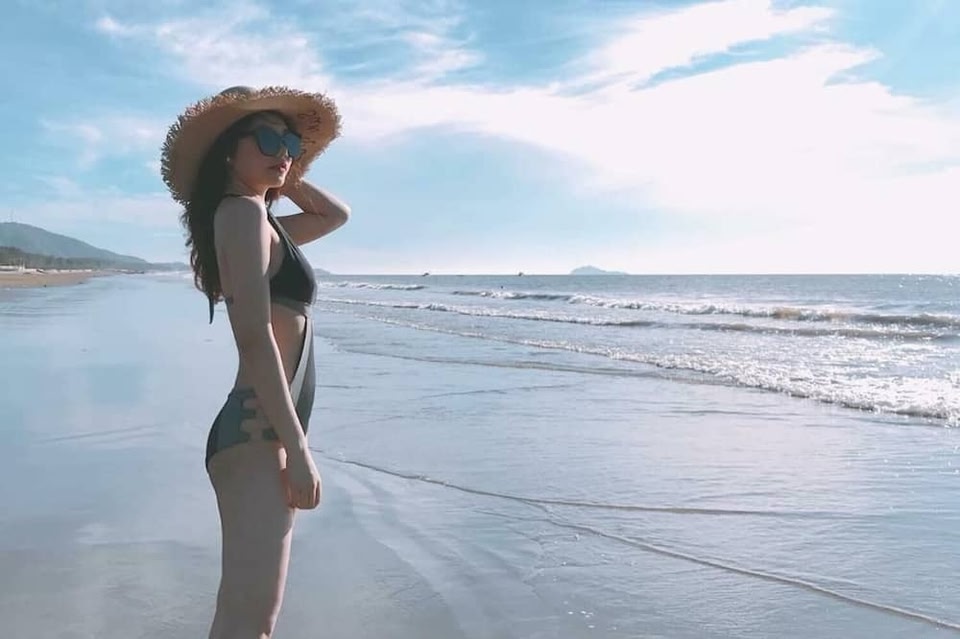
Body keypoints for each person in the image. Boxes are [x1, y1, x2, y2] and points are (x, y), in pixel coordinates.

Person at [160, 85, 350, 638]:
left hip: (260, 432)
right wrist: (298, 448)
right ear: (228, 150)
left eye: (291, 143)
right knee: (251, 624)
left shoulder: (260, 221)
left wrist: (286, 170)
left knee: (244, 619)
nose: (283, 152)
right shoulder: (241, 214)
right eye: (267, 139)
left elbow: (334, 214)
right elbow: (254, 337)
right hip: (256, 433)